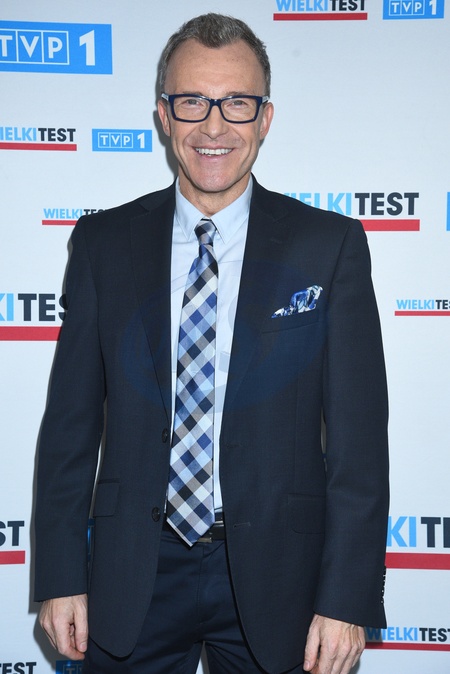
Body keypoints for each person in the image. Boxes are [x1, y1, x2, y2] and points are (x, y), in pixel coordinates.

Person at [34, 12, 389, 674]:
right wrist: (59, 575)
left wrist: (347, 598)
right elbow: (69, 430)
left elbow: (359, 443)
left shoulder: (328, 245)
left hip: (282, 576)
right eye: (193, 101)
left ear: (265, 118)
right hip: (131, 571)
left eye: (237, 103)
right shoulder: (103, 244)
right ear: (164, 115)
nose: (214, 125)